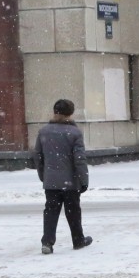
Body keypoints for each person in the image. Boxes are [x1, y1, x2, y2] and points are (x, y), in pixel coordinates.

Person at [32, 98, 91, 254]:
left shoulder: (44, 131)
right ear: (70, 113)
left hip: (51, 180)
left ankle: (47, 242)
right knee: (73, 211)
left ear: (54, 112)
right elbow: (79, 159)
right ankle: (78, 240)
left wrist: (43, 175)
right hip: (70, 181)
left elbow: (38, 156)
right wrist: (84, 180)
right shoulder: (75, 133)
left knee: (51, 211)